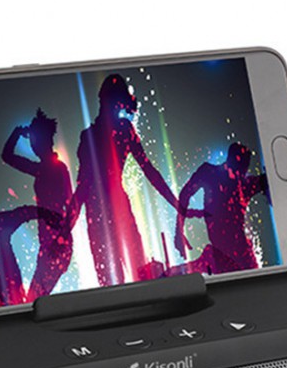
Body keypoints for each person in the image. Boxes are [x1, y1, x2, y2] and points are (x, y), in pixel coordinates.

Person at [70, 73, 194, 286]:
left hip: (104, 212)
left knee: (126, 278)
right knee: (129, 277)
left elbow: (83, 188)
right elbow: (149, 171)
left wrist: (177, 204)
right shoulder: (118, 131)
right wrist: (177, 204)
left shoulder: (103, 133)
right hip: (109, 211)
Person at [1, 108, 74, 298]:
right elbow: (7, 156)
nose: (32, 145)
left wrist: (60, 240)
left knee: (34, 298)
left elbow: (71, 207)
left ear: (44, 141)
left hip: (57, 244)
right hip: (50, 243)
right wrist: (17, 132)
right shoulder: (41, 169)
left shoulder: (57, 169)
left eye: (34, 140)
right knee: (35, 297)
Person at [174, 143, 268, 274]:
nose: (242, 173)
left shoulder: (244, 184)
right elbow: (185, 195)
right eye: (241, 168)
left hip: (240, 256)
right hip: (227, 256)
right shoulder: (210, 174)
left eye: (244, 169)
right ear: (231, 161)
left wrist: (179, 231)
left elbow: (185, 195)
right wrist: (178, 231)